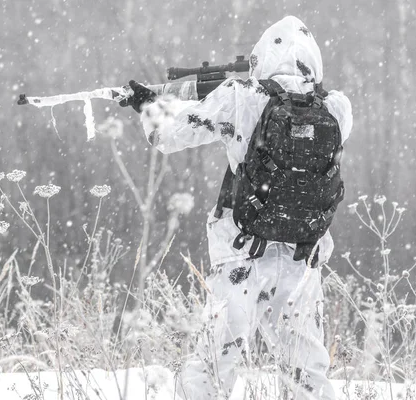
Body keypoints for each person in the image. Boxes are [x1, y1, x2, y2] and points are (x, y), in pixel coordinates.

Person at [121, 16, 352, 400]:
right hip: (302, 253)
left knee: (218, 356)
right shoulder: (338, 109)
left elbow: (169, 134)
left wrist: (148, 106)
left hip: (242, 252)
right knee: (306, 366)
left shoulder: (240, 96)